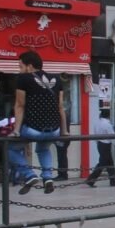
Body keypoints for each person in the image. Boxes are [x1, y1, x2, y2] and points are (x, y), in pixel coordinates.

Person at [10, 51, 67, 195]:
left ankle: (29, 175)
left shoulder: (23, 78)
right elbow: (61, 107)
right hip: (54, 130)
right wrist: (64, 130)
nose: (19, 70)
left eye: (20, 66)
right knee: (43, 149)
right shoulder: (56, 79)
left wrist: (16, 130)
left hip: (33, 129)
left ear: (29, 66)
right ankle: (47, 178)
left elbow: (20, 105)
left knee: (11, 149)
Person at [86, 109, 115, 188]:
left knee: (110, 163)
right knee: (102, 164)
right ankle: (91, 179)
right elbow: (113, 137)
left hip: (100, 144)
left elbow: (95, 134)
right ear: (108, 115)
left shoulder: (97, 123)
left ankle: (113, 181)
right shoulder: (107, 124)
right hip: (106, 145)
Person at [55, 88, 71, 180]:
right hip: (63, 137)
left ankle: (63, 174)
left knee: (62, 156)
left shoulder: (62, 114)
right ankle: (62, 174)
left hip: (62, 138)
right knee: (62, 155)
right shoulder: (65, 113)